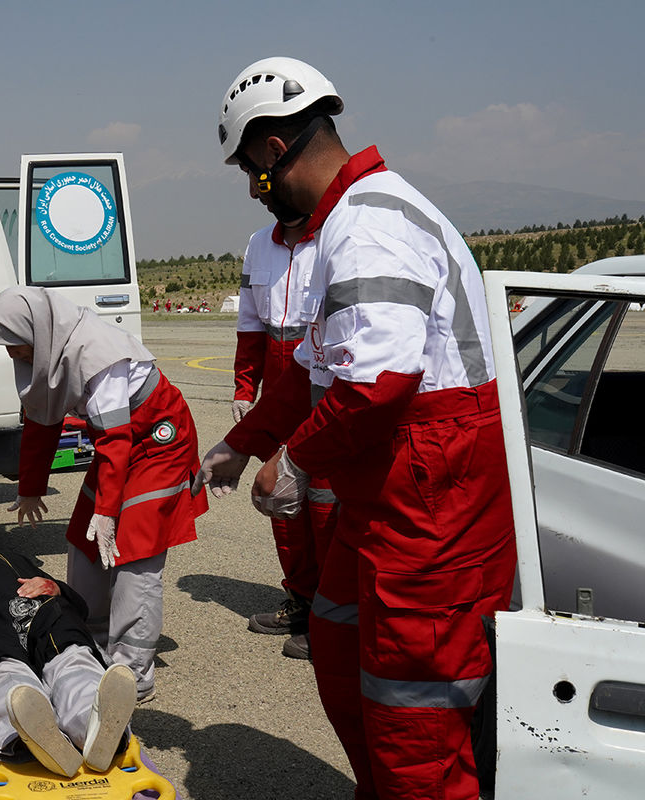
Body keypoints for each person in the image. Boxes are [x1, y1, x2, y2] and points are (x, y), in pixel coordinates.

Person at [199, 58, 515, 800]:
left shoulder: (369, 225)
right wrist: (239, 445)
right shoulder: (345, 223)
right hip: (389, 503)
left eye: (250, 169)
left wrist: (295, 463)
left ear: (275, 149)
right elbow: (314, 370)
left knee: (415, 722)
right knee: (340, 653)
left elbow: (379, 384)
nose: (252, 189)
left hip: (435, 512)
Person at [0, 286, 208, 703]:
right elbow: (41, 424)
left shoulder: (97, 354)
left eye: (16, 345)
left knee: (135, 550)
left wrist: (108, 511)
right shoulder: (49, 351)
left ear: (39, 332)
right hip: (117, 443)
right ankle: (94, 642)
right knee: (84, 542)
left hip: (157, 442)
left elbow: (116, 440)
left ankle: (133, 672)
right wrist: (30, 488)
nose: (12, 354)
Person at [0, 539, 137, 778]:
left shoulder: (13, 558)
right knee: (63, 658)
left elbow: (79, 608)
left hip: (35, 608)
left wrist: (56, 588)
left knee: (57, 648)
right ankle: (75, 718)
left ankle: (86, 726)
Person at [232, 213, 338, 660]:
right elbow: (251, 322)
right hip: (281, 382)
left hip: (327, 374)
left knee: (325, 501)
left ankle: (333, 617)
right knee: (283, 498)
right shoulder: (258, 244)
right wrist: (244, 385)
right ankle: (302, 598)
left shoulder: (333, 237)